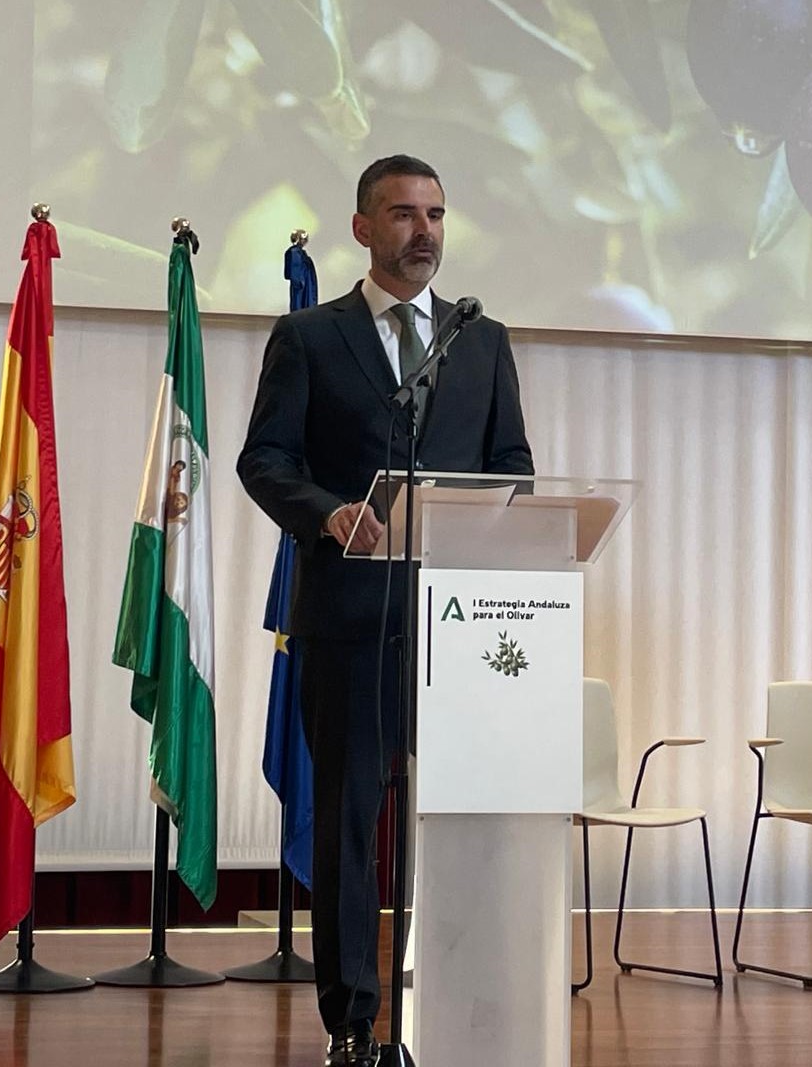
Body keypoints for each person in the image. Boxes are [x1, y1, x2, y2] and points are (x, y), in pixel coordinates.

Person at [238, 155, 534, 1067]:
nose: (426, 232)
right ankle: (353, 1023)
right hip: (351, 619)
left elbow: (514, 464)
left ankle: (455, 1000)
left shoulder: (481, 340)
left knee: (459, 822)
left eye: (437, 214)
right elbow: (266, 460)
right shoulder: (310, 337)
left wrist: (494, 515)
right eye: (404, 214)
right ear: (363, 227)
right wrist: (327, 513)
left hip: (460, 624)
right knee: (350, 823)